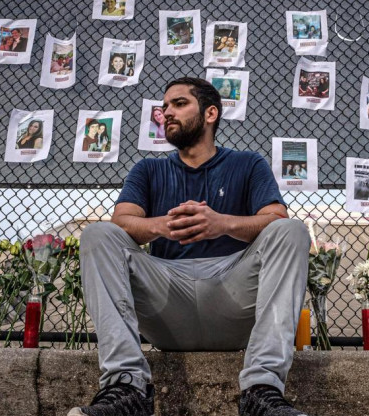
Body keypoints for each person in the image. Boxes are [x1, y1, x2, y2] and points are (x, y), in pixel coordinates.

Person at [67, 77, 311, 416]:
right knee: (98, 235)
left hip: (234, 299)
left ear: (210, 113)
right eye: (164, 106)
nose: (166, 112)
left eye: (179, 104)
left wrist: (222, 223)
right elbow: (122, 221)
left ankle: (262, 391)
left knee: (291, 229)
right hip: (167, 303)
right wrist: (161, 226)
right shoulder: (149, 168)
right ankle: (126, 389)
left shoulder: (248, 163)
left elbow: (275, 217)